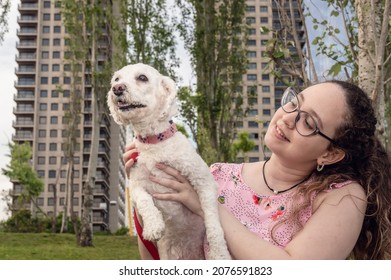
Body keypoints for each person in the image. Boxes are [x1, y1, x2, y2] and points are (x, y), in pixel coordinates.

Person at [123, 80, 391, 260]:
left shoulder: (342, 196)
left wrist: (207, 206)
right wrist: (146, 188)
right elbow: (161, 259)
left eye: (308, 122)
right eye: (294, 102)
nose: (287, 118)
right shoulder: (216, 176)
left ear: (330, 153)